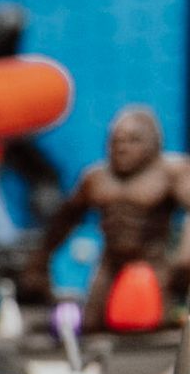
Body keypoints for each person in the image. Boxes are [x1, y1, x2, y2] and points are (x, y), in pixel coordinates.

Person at [26, 105, 190, 330]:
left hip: (152, 262)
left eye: (133, 140)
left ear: (153, 143)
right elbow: (63, 221)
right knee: (91, 323)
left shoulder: (171, 173)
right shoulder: (95, 179)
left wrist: (185, 256)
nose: (122, 148)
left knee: (154, 324)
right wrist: (39, 262)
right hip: (110, 262)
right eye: (116, 141)